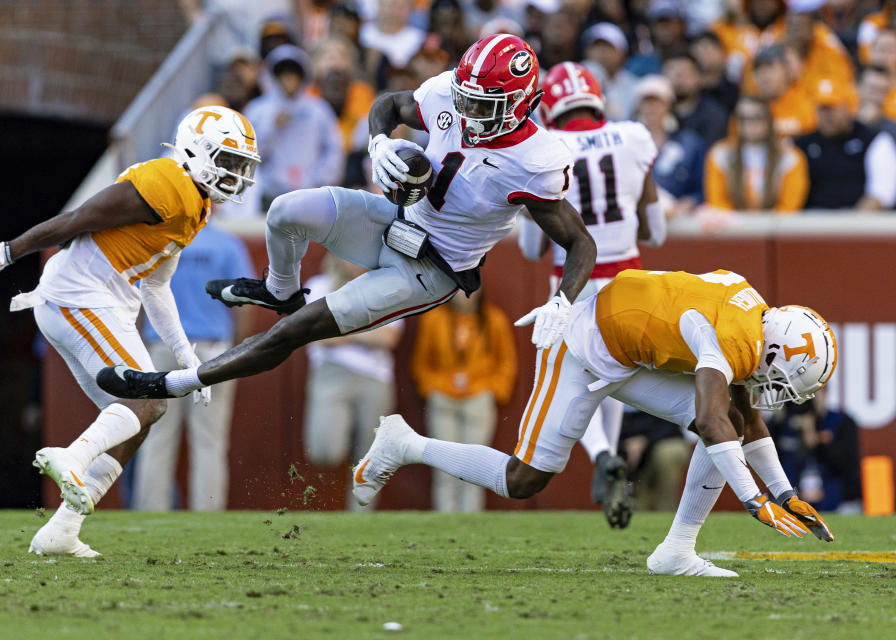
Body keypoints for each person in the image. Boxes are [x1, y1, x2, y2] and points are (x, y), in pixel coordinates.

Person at [96, 36, 596, 436]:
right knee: (286, 211)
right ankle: (280, 289)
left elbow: (580, 242)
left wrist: (562, 302)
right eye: (465, 97)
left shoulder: (536, 162)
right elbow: (390, 105)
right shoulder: (451, 92)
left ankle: (173, 382)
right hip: (393, 218)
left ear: (521, 103)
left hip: (430, 269)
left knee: (297, 331)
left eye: (482, 105)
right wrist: (378, 143)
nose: (467, 113)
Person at [353, 269, 837, 577]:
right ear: (773, 349)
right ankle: (404, 443)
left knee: (728, 415)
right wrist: (754, 501)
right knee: (524, 479)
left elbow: (743, 419)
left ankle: (675, 551)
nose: (780, 389)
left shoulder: (751, 314)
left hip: (628, 348)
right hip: (582, 348)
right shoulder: (733, 340)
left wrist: (784, 493)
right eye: (785, 377)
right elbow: (714, 424)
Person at [0, 106, 260, 555]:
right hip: (79, 296)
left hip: (99, 300)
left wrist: (187, 357)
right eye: (227, 160)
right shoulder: (168, 183)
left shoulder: (193, 204)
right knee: (146, 403)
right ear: (197, 152)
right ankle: (74, 458)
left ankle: (62, 530)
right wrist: (8, 252)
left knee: (143, 416)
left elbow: (157, 287)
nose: (235, 174)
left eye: (240, 165)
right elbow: (77, 219)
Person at [517, 62, 666, 527]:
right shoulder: (634, 137)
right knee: (616, 380)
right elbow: (656, 231)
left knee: (571, 380)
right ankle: (611, 455)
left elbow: (530, 246)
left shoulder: (545, 146)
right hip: (630, 280)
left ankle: (601, 453)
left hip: (574, 280)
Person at [131, 223, 256, 511]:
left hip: (162, 347)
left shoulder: (159, 242)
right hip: (213, 350)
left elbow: (137, 302)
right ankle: (208, 512)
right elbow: (245, 304)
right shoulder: (227, 244)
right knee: (210, 441)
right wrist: (235, 353)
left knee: (158, 437)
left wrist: (140, 348)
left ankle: (151, 513)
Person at [302, 254, 403, 511]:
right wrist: (368, 329)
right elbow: (319, 336)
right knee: (326, 449)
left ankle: (360, 517)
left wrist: (343, 329)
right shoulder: (319, 286)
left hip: (375, 378)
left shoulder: (385, 288)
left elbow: (389, 338)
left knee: (371, 456)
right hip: (331, 374)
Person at [410, 289, 516, 512]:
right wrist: (434, 387)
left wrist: (489, 390)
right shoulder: (434, 319)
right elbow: (421, 364)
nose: (464, 295)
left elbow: (506, 364)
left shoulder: (493, 319)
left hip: (478, 399)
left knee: (474, 469)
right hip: (443, 400)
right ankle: (445, 523)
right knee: (444, 466)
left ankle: (471, 525)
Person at [244, 44, 345, 209]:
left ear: (302, 77)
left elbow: (334, 148)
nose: (289, 79)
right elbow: (248, 154)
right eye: (284, 74)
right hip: (270, 193)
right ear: (274, 77)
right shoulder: (257, 110)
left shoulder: (318, 110)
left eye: (293, 74)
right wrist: (272, 127)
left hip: (311, 193)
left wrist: (320, 179)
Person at [795, 76, 896, 210]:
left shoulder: (874, 140)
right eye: (822, 108)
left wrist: (852, 224)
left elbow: (881, 193)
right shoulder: (802, 144)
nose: (827, 115)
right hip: (808, 221)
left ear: (848, 107)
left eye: (832, 108)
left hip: (856, 223)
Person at [704, 96, 809, 212]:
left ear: (769, 120)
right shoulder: (719, 154)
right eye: (742, 118)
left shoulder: (790, 157)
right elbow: (717, 202)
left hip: (775, 227)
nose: (749, 123)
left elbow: (789, 207)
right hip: (733, 227)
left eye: (756, 117)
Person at [635, 74, 707, 217]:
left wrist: (688, 203)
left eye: (657, 102)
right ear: (639, 106)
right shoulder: (627, 144)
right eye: (647, 102)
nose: (651, 108)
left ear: (668, 105)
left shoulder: (690, 143)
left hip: (679, 222)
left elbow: (702, 188)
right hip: (638, 221)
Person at [663, 49, 730, 146]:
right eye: (672, 71)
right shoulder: (656, 111)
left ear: (698, 77)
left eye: (685, 72)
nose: (678, 78)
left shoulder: (714, 114)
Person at [753, 44, 817, 138]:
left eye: (769, 67)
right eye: (758, 69)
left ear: (786, 70)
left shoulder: (805, 97)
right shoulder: (751, 106)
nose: (763, 75)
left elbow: (809, 125)